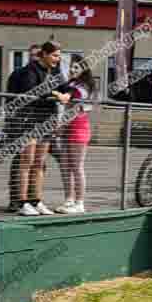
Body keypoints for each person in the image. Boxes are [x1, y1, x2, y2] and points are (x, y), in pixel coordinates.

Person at [11, 40, 70, 216]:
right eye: (54, 55)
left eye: (59, 56)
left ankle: (36, 201)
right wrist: (55, 93)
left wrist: (67, 94)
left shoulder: (56, 70)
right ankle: (22, 203)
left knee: (39, 163)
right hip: (29, 121)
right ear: (44, 54)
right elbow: (33, 90)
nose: (57, 59)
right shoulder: (31, 70)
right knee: (26, 162)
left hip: (47, 121)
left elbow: (65, 87)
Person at [55, 55, 95, 214]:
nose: (72, 70)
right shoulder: (71, 83)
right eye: (71, 67)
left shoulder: (82, 87)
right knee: (65, 166)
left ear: (84, 70)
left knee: (77, 167)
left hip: (78, 128)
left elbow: (71, 106)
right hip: (67, 128)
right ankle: (69, 200)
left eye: (76, 67)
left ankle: (80, 203)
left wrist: (61, 126)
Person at [6, 44, 41, 212]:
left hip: (43, 125)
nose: (35, 57)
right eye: (33, 54)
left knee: (39, 163)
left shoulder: (46, 74)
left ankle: (34, 200)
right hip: (22, 122)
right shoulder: (19, 73)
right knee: (21, 161)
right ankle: (17, 200)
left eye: (38, 55)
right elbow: (9, 99)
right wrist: (11, 121)